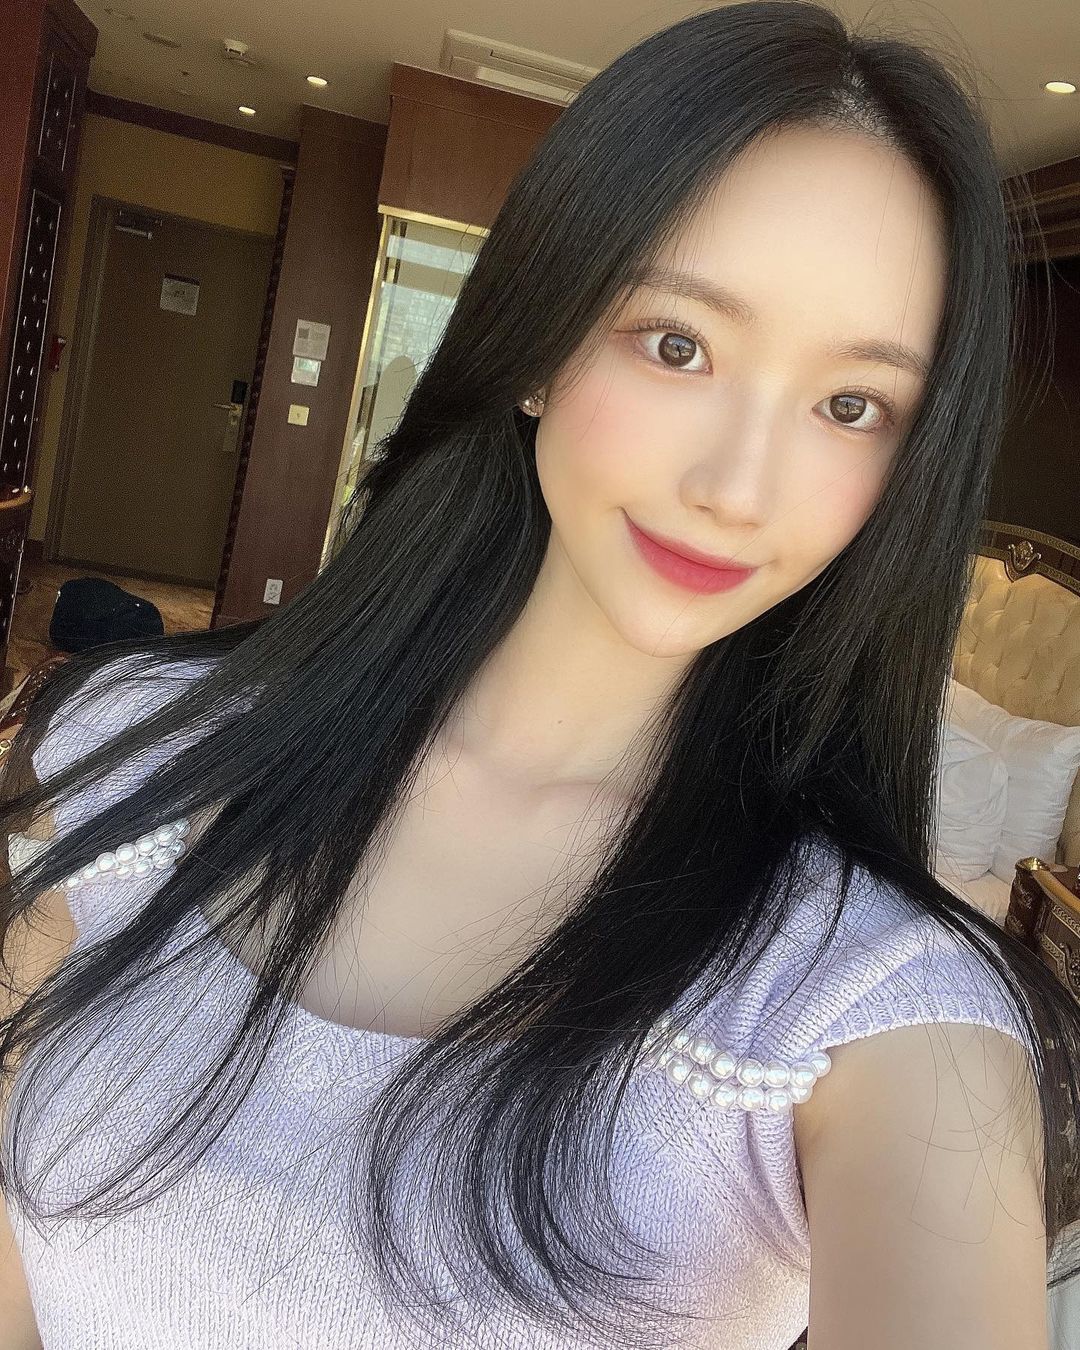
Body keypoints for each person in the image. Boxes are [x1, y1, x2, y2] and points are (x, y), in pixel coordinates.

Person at [1, 4, 1076, 1347]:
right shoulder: (133, 742)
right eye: (677, 343)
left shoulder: (873, 1007)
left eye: (849, 405)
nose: (738, 488)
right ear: (540, 342)